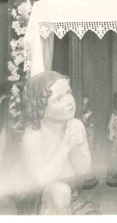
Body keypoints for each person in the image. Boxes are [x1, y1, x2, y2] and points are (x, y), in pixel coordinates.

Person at [20, 71, 96, 215]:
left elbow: (84, 171)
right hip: (41, 198)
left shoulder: (76, 125)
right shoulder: (33, 137)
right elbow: (41, 180)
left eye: (68, 93)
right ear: (41, 109)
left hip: (73, 195)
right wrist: (65, 146)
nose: (69, 101)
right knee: (60, 192)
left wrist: (75, 149)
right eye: (59, 98)